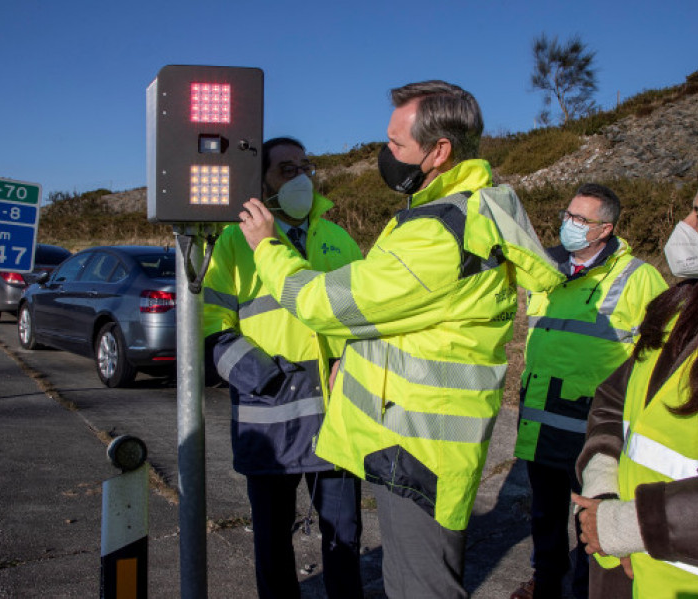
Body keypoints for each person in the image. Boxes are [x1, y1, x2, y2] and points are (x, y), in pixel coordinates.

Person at [239, 81, 563, 598]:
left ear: (439, 151)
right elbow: (396, 318)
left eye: (395, 144)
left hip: (419, 450)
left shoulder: (438, 234)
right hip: (416, 439)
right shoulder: (461, 213)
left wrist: (268, 249)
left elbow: (327, 305)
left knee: (420, 588)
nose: (384, 154)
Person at [573, 157, 698, 599]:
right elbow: (613, 399)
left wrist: (630, 525)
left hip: (697, 583)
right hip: (621, 567)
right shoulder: (683, 309)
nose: (683, 224)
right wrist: (602, 484)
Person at [203, 137, 365, 599]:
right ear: (262, 185)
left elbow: (367, 323)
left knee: (343, 538)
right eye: (286, 170)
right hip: (268, 419)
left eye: (305, 167)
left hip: (336, 419)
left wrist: (349, 364)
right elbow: (212, 328)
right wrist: (265, 379)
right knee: (273, 542)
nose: (301, 178)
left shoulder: (339, 239)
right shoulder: (233, 244)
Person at [511, 184, 667, 599]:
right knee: (544, 516)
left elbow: (661, 356)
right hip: (541, 420)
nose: (570, 225)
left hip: (594, 427)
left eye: (582, 220)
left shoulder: (639, 278)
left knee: (591, 522)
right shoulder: (544, 270)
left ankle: (584, 592)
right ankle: (545, 585)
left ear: (605, 229)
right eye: (568, 215)